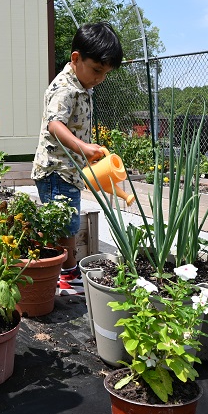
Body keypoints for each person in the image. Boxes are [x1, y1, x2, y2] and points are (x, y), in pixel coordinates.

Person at [31, 22, 123, 296]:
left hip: (68, 170)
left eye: (105, 74)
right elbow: (55, 125)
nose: (99, 79)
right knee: (65, 226)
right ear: (75, 58)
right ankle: (68, 277)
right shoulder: (66, 89)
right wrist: (83, 147)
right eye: (96, 70)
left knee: (64, 225)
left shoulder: (82, 84)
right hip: (56, 170)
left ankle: (61, 273)